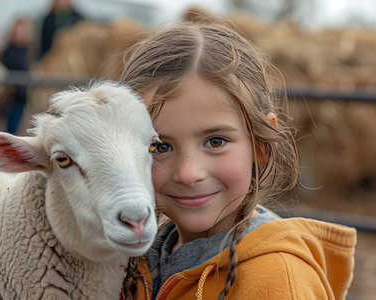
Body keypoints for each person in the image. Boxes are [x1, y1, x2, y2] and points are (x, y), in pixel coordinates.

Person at [119, 21, 356, 299]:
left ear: (261, 144)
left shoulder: (276, 281)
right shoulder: (132, 261)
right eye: (159, 146)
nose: (188, 173)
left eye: (216, 142)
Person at [0, 17, 34, 134]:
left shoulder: (31, 51)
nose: (20, 33)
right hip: (11, 96)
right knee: (11, 128)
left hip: (25, 95)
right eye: (18, 30)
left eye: (23, 30)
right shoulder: (8, 50)